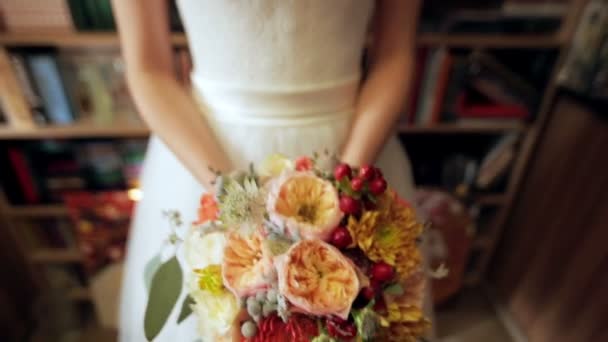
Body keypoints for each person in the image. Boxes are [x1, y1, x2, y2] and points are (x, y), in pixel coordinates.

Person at [113, 0, 422, 340]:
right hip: (203, 153)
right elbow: (148, 69)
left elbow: (394, 55)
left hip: (354, 144)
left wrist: (345, 189)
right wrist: (229, 196)